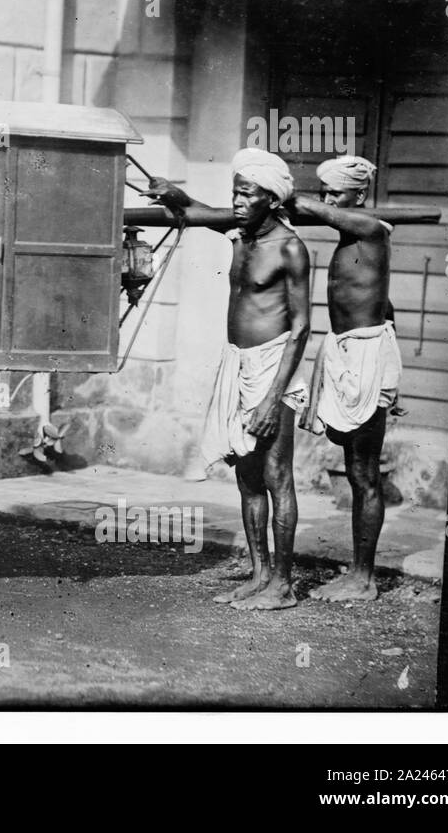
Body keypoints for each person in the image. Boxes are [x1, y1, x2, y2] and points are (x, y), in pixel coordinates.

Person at [148, 149, 311, 611]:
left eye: (246, 194)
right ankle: (260, 576)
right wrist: (173, 194)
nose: (237, 202)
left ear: (271, 199)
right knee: (246, 475)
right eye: (235, 193)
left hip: (273, 368)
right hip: (236, 363)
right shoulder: (240, 231)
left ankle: (283, 585)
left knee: (277, 476)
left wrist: (272, 399)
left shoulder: (290, 247)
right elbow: (194, 212)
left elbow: (301, 327)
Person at [289, 156, 401, 603]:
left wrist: (285, 198)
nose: (328, 199)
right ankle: (358, 571)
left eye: (336, 192)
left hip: (365, 355)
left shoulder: (371, 230)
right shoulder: (350, 240)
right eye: (325, 191)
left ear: (360, 195)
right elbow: (385, 304)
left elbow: (312, 209)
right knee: (354, 467)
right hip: (345, 351)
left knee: (364, 472)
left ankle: (364, 578)